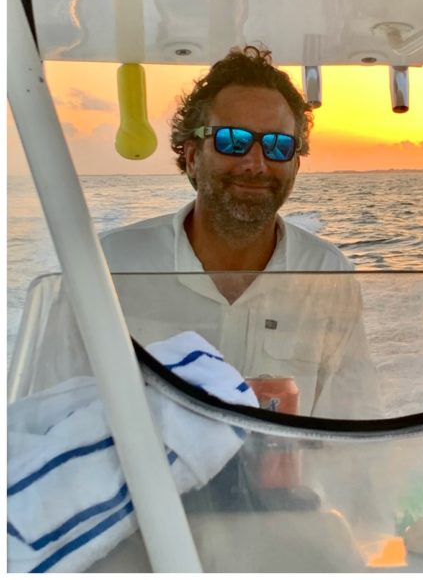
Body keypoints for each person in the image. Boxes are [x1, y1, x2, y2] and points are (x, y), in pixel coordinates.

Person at [98, 44, 381, 419]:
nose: (256, 163)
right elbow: (49, 414)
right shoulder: (109, 266)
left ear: (296, 163)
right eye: (233, 140)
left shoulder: (326, 273)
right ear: (192, 155)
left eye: (278, 146)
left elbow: (353, 422)